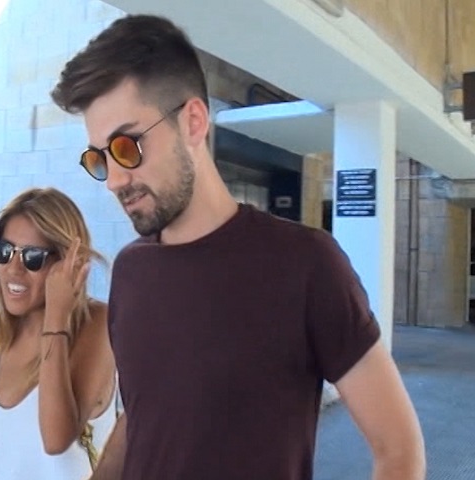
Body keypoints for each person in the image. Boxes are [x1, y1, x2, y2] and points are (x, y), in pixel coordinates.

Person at [50, 14, 426, 480]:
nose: (114, 180)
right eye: (100, 159)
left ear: (193, 122)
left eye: (127, 147)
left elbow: (399, 449)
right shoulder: (131, 270)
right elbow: (147, 416)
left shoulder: (305, 264)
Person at [0, 187, 117, 480]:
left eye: (33, 257)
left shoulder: (97, 323)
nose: (13, 269)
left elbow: (56, 440)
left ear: (69, 262)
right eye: (4, 251)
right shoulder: (11, 330)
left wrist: (56, 317)